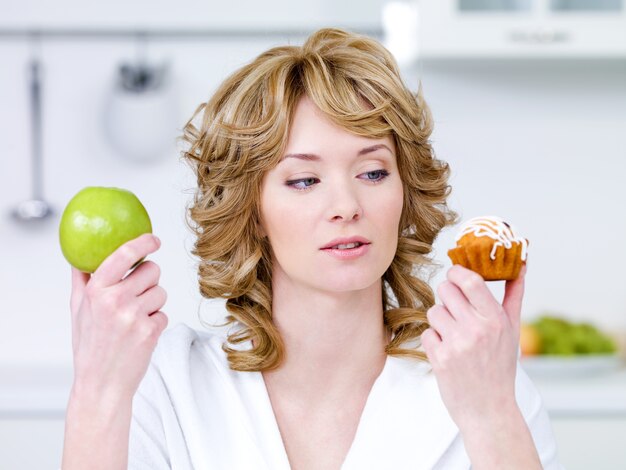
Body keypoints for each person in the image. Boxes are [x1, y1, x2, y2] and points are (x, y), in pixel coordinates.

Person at [62, 28, 562, 469]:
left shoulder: (485, 383)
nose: (346, 204)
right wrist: (97, 390)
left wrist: (491, 414)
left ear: (404, 192)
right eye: (304, 180)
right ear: (252, 211)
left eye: (373, 172)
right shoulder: (166, 383)